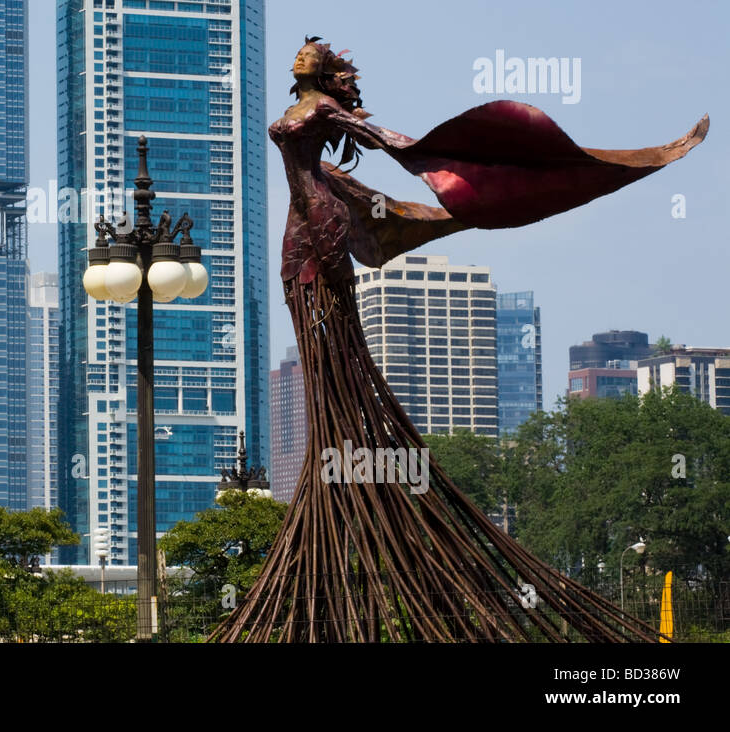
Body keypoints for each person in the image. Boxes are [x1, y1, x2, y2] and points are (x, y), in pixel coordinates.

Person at [214, 37, 708, 642]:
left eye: (319, 55)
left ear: (336, 74)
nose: (305, 57)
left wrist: (447, 173)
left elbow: (400, 146)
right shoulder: (301, 113)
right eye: (309, 53)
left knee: (339, 360)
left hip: (323, 223)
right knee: (326, 366)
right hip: (299, 230)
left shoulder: (323, 112)